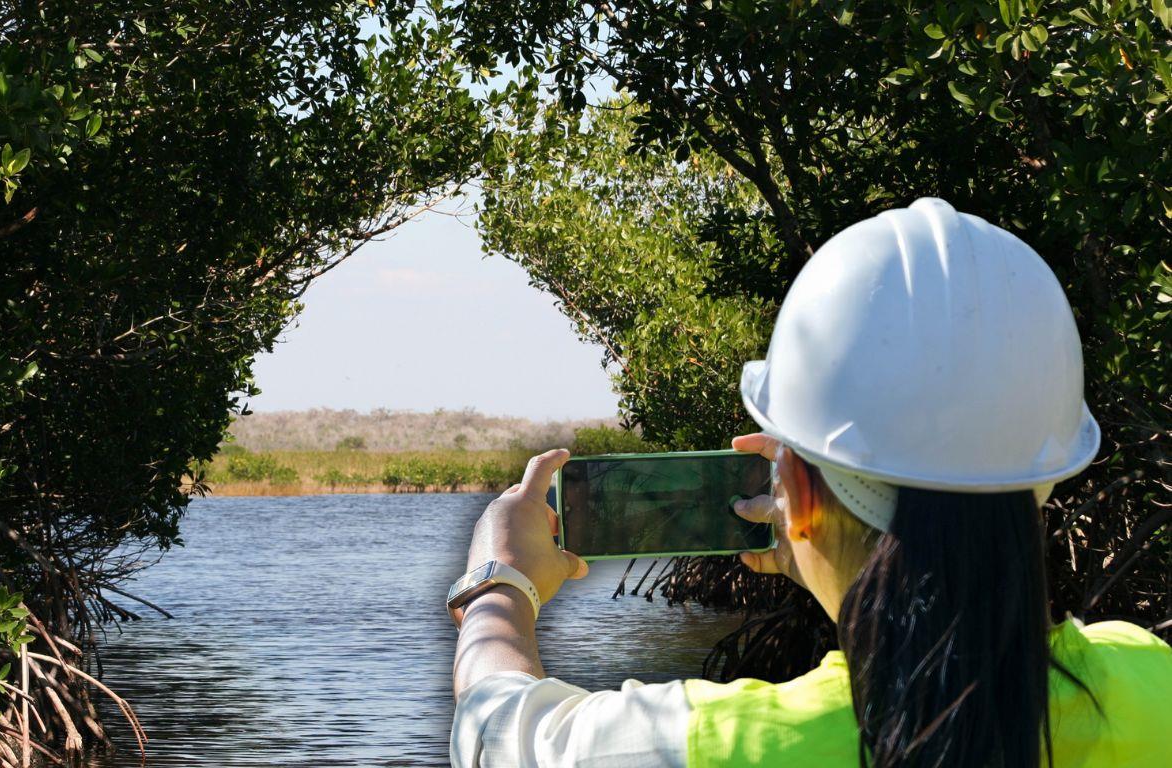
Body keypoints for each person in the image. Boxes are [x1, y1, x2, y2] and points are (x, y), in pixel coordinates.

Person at [447, 199, 1172, 767]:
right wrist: (820, 537)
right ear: (1043, 475)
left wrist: (498, 582)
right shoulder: (1150, 685)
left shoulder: (725, 745)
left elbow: (495, 732)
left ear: (793, 480)